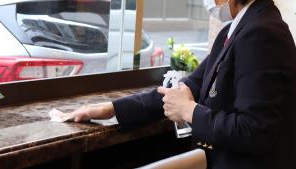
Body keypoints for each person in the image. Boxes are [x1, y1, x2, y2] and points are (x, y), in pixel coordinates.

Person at [72, 0, 296, 168]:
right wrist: (112, 108)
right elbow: (189, 86)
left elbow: (254, 131)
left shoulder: (262, 32)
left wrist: (189, 111)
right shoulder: (234, 30)